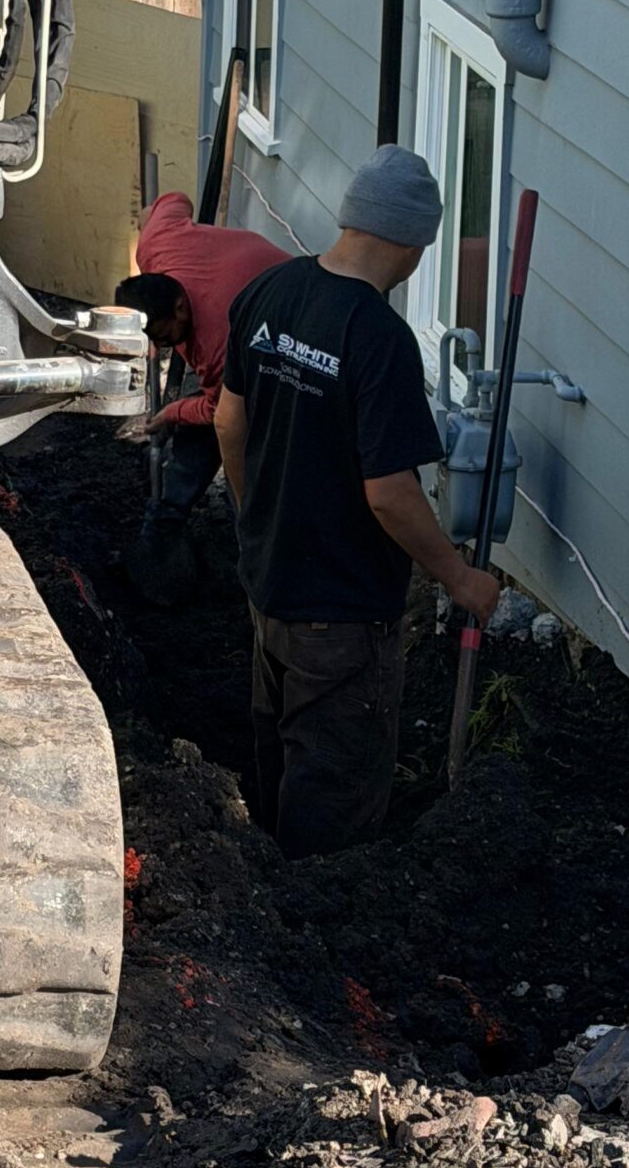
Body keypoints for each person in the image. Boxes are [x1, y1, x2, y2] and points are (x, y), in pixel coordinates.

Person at [214, 144, 501, 859]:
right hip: (341, 616)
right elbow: (390, 495)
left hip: (269, 589)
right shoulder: (380, 339)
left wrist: (257, 519)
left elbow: (227, 421)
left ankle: (269, 884)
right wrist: (459, 578)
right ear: (412, 243)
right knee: (334, 802)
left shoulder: (270, 291)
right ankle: (310, 912)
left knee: (279, 758)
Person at [112, 191, 288, 549]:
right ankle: (166, 520)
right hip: (255, 284)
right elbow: (173, 201)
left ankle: (251, 534)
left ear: (179, 307)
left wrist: (172, 412)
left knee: (231, 436)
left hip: (289, 323)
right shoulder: (156, 243)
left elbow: (218, 409)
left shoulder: (216, 344)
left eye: (163, 337)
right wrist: (151, 221)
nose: (159, 346)